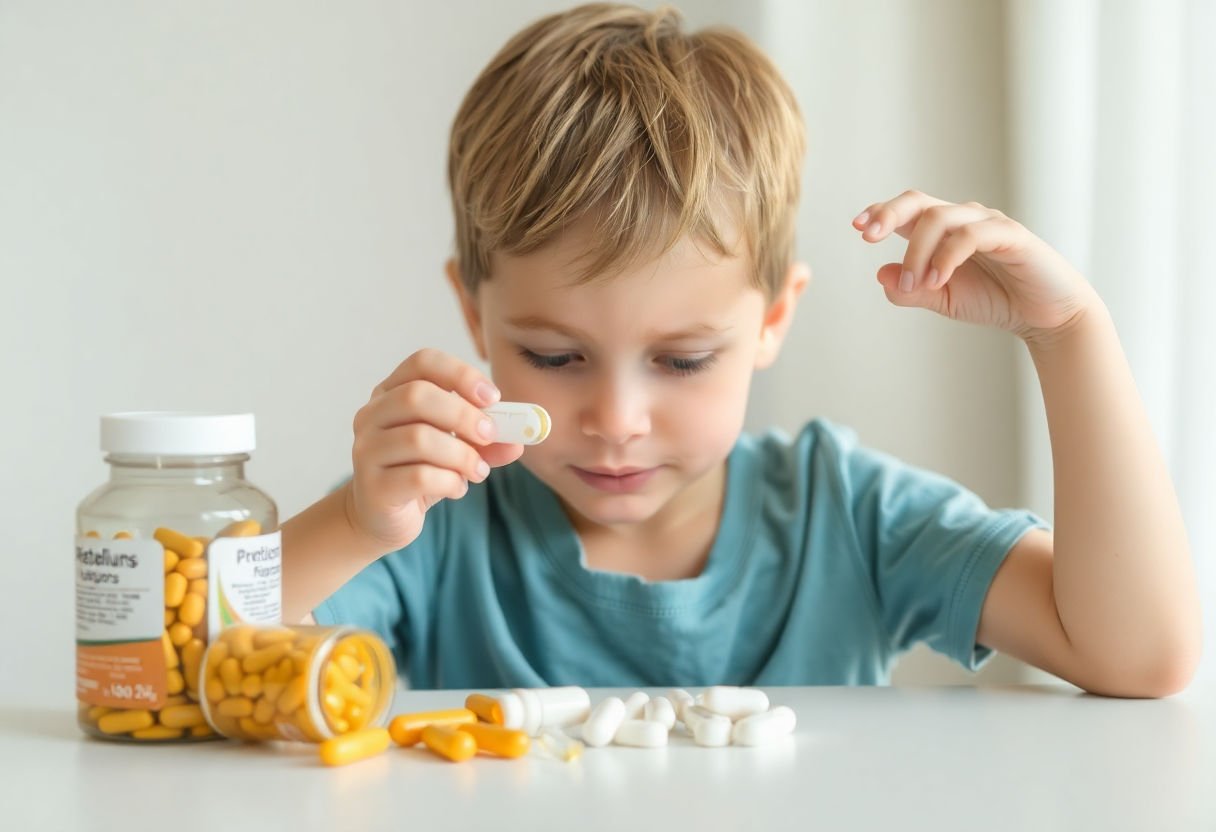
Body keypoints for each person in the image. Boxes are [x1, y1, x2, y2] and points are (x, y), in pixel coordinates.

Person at [281, 3, 1201, 696]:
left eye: (681, 361)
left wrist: (1070, 334)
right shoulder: (427, 529)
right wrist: (355, 528)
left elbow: (1137, 654)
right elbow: (156, 673)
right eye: (556, 357)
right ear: (476, 319)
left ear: (771, 320)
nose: (615, 422)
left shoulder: (848, 518)